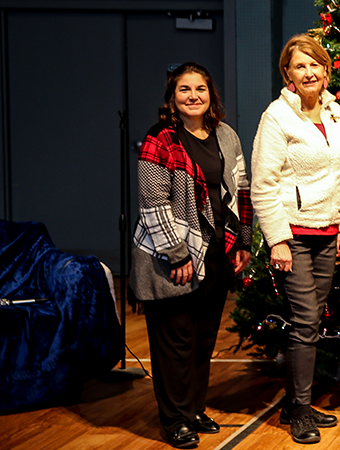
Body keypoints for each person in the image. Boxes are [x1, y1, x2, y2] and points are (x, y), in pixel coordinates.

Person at [131, 62, 252, 449]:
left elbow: (241, 191)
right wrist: (177, 254)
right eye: (184, 89)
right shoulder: (160, 139)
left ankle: (195, 408)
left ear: (211, 95)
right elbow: (153, 202)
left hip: (216, 253)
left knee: (202, 340)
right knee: (175, 342)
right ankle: (175, 420)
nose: (193, 96)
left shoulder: (226, 135)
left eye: (200, 89)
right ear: (172, 97)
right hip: (174, 259)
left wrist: (243, 242)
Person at [251, 33, 340, 445]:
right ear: (288, 74)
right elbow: (262, 183)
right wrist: (276, 238)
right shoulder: (276, 116)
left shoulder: (335, 114)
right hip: (292, 233)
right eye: (300, 66)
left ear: (325, 69)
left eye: (315, 64)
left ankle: (298, 402)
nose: (309, 72)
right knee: (306, 319)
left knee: (312, 320)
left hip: (329, 232)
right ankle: (300, 411)